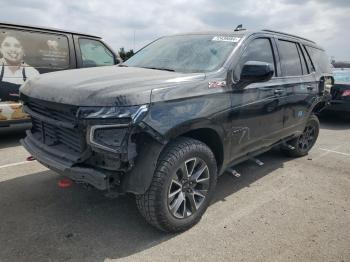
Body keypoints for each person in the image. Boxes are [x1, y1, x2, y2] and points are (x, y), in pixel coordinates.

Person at [0, 34, 39, 102]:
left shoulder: (32, 72)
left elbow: (35, 99)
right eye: (7, 45)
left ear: (23, 51)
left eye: (17, 46)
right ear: (1, 49)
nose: (12, 49)